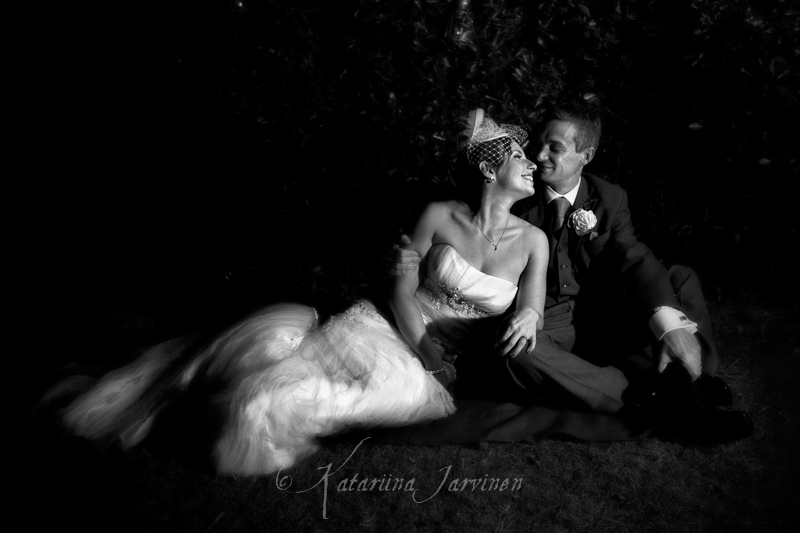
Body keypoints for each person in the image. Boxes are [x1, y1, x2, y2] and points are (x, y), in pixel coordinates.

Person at [54, 110, 549, 475]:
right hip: (388, 326)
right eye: (520, 157)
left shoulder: (533, 242)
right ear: (489, 170)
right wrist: (430, 355)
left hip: (450, 352)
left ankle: (258, 405)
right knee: (344, 371)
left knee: (397, 394)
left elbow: (531, 304)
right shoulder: (439, 215)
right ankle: (248, 400)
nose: (532, 165)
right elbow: (400, 291)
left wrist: (530, 315)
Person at [392, 101, 753, 444]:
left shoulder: (608, 198)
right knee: (517, 349)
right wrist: (406, 254)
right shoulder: (519, 193)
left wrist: (669, 324)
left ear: (586, 156)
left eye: (555, 148)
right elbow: (470, 218)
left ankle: (695, 373)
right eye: (537, 146)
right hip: (546, 315)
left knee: (679, 278)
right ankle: (661, 400)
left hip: (603, 308)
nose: (538, 157)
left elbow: (633, 256)